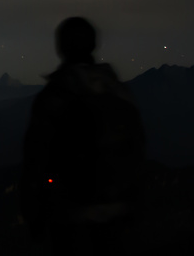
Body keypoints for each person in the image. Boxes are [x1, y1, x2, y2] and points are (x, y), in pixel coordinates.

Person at [21, 17, 146, 255]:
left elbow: (35, 160)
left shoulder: (57, 94)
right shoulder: (119, 91)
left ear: (61, 47)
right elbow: (137, 150)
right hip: (118, 215)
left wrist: (35, 219)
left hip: (72, 218)